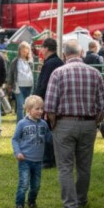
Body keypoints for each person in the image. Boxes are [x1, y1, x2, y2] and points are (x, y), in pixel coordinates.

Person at [44, 40, 104, 208]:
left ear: (64, 55)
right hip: (88, 124)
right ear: (81, 54)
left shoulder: (58, 73)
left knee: (65, 167)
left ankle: (70, 207)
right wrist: (95, 122)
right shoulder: (94, 73)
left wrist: (54, 123)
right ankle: (81, 199)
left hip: (64, 123)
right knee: (84, 166)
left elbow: (49, 105)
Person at [11, 95, 49, 208]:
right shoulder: (22, 124)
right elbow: (15, 139)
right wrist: (18, 152)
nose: (40, 111)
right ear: (28, 110)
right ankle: (19, 205)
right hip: (25, 160)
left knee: (36, 185)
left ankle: (31, 201)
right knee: (24, 183)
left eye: (41, 109)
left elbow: (49, 138)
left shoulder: (44, 124)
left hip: (38, 161)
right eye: (37, 109)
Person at [34, 38, 63, 169]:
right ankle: (54, 159)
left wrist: (36, 100)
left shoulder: (50, 63)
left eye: (42, 47)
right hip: (57, 102)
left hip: (48, 102)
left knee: (45, 130)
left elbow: (43, 84)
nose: (40, 50)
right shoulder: (58, 62)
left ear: (46, 48)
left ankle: (47, 160)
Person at [6, 41, 34, 122]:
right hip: (19, 87)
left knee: (28, 106)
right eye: (22, 50)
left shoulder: (30, 61)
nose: (24, 52)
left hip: (29, 86)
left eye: (26, 50)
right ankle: (20, 124)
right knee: (20, 106)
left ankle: (28, 122)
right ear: (19, 51)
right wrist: (9, 85)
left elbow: (32, 73)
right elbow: (11, 73)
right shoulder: (15, 61)